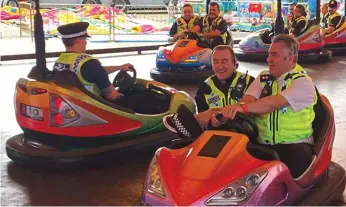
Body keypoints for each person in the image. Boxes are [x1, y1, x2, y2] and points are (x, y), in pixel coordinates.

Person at [211, 34, 317, 178]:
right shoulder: (264, 77)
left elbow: (273, 103)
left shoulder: (302, 83)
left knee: (275, 180)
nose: (268, 59)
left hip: (294, 145)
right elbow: (247, 100)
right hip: (262, 144)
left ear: (290, 58)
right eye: (269, 54)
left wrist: (242, 108)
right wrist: (227, 114)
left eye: (274, 55)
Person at [53, 22, 164, 113]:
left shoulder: (60, 62)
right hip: (96, 107)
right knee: (141, 98)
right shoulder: (89, 63)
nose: (86, 42)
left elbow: (91, 72)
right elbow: (111, 95)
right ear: (78, 41)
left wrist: (119, 67)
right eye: (85, 39)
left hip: (74, 104)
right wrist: (120, 92)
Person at [163, 45, 254, 136]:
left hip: (247, 136)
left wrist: (213, 112)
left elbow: (255, 111)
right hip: (216, 137)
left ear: (234, 63)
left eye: (224, 61)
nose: (220, 66)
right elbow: (204, 120)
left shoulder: (249, 82)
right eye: (216, 62)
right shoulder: (205, 87)